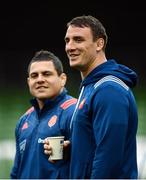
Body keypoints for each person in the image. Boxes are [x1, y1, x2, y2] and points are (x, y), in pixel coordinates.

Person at [64, 15, 138, 179]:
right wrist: (74, 150)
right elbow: (96, 144)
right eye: (67, 40)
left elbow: (108, 158)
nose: (70, 47)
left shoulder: (108, 90)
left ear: (99, 43)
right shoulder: (92, 86)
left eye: (78, 40)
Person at [10, 50, 77, 179]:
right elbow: (16, 172)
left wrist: (72, 151)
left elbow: (92, 159)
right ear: (29, 81)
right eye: (34, 76)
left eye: (47, 74)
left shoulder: (75, 112)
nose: (40, 79)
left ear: (62, 79)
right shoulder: (24, 120)